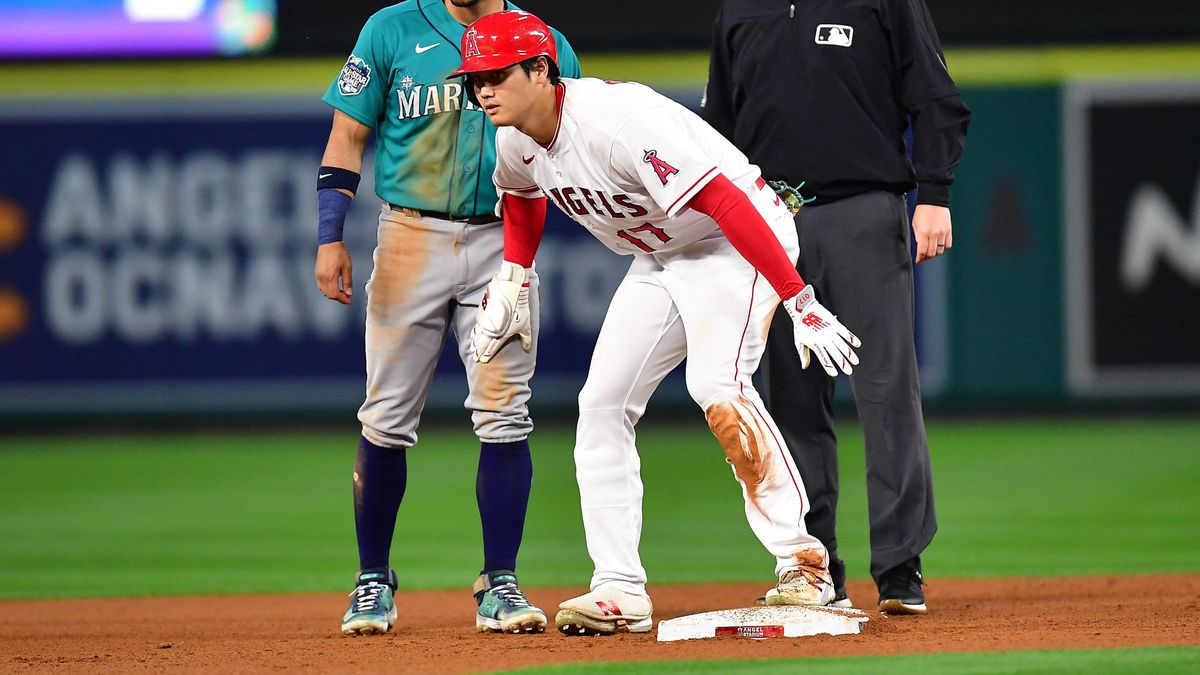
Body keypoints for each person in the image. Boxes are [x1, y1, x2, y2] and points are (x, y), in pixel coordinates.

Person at [450, 10, 862, 637]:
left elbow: (726, 199)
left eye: (497, 74)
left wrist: (799, 299)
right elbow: (522, 198)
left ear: (540, 69)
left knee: (717, 386)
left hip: (735, 239)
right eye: (475, 77)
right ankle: (619, 589)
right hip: (662, 252)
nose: (483, 89)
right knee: (601, 403)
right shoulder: (513, 137)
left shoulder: (618, 125)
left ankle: (805, 566)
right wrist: (512, 277)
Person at [314, 0, 580, 636]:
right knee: (385, 414)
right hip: (410, 234)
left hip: (503, 241)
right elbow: (348, 133)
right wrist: (330, 235)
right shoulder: (390, 29)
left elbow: (572, 140)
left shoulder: (542, 40)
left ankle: (502, 583)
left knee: (504, 412)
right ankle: (372, 580)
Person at [702, 0, 972, 615]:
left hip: (863, 211)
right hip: (768, 225)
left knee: (886, 392)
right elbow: (715, 128)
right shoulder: (739, 10)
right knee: (791, 403)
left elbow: (935, 96)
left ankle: (901, 568)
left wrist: (935, 194)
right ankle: (814, 565)